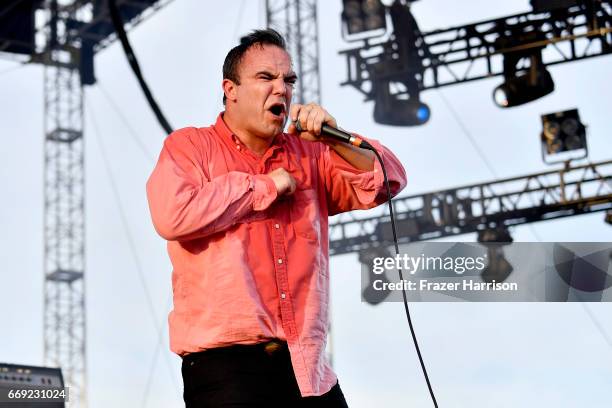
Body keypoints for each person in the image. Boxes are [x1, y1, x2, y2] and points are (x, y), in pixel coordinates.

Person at [146, 28, 407, 407]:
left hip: (307, 368)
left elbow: (388, 178)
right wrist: (264, 187)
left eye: (289, 80)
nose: (281, 89)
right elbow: (173, 215)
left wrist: (335, 138)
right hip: (225, 367)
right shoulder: (190, 147)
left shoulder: (311, 154)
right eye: (266, 77)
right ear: (230, 89)